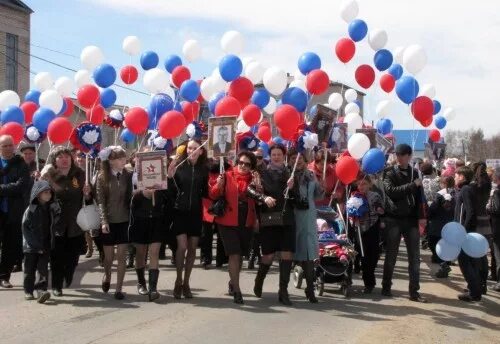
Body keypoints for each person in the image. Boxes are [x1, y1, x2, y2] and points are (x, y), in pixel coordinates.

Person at [210, 151, 271, 304]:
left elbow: (258, 200)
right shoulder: (227, 174)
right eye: (241, 163)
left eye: (247, 164)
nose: (243, 166)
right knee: (234, 254)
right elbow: (214, 194)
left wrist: (259, 187)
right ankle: (237, 290)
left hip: (246, 221)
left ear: (252, 166)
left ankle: (232, 281)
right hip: (228, 221)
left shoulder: (254, 178)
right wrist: (219, 184)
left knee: (241, 256)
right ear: (237, 162)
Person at [41, 146, 92, 296]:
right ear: (55, 161)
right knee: (56, 257)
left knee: (73, 257)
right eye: (60, 157)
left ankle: (68, 275)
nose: (64, 160)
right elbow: (41, 198)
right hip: (56, 222)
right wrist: (40, 182)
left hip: (75, 222)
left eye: (67, 157)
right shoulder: (49, 175)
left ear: (71, 159)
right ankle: (57, 285)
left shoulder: (80, 174)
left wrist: (88, 194)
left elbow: (88, 199)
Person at [382, 144, 428, 303]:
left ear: (409, 156)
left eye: (402, 154)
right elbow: (392, 192)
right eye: (397, 154)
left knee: (415, 258)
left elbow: (420, 197)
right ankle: (386, 286)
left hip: (411, 220)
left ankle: (414, 292)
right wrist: (412, 185)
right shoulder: (389, 172)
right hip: (393, 218)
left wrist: (422, 216)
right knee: (391, 256)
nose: (398, 157)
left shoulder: (415, 173)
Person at [254, 144, 296, 305]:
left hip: (287, 219)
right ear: (270, 156)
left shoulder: (290, 173)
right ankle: (259, 280)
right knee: (268, 256)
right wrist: (263, 196)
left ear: (283, 156)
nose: (276, 157)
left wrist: (293, 187)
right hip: (270, 219)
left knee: (287, 253)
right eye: (273, 154)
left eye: (279, 154)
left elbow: (298, 197)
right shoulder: (262, 174)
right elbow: (255, 192)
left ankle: (283, 290)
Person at [168, 139, 208, 299]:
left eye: (195, 148)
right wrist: (170, 177)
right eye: (189, 148)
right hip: (180, 212)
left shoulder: (203, 169)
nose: (192, 150)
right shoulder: (178, 167)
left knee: (192, 249)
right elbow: (170, 190)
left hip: (196, 213)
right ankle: (178, 279)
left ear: (201, 151)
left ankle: (186, 282)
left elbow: (206, 191)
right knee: (182, 247)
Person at [96, 146, 132, 300]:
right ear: (111, 161)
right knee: (109, 258)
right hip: (109, 221)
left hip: (124, 220)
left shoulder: (128, 175)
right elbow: (101, 201)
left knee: (122, 255)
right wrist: (104, 221)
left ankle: (119, 288)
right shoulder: (102, 177)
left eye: (124, 158)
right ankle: (107, 273)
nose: (123, 161)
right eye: (119, 158)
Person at [289, 148, 324, 303]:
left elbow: (318, 195)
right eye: (293, 158)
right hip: (292, 217)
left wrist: (321, 184)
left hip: (308, 217)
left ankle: (310, 288)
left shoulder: (310, 175)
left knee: (309, 254)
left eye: (300, 157)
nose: (297, 160)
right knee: (290, 254)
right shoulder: (286, 174)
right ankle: (283, 289)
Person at [22, 180, 61, 303]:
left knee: (43, 269)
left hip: (45, 244)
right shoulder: (31, 208)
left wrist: (57, 208)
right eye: (45, 192)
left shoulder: (51, 207)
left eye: (49, 192)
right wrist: (33, 244)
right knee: (29, 269)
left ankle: (41, 291)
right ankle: (28, 291)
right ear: (38, 194)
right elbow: (25, 227)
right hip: (31, 245)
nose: (48, 195)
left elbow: (57, 217)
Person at [129, 182, 169, 302]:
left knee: (154, 252)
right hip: (140, 221)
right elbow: (131, 201)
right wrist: (141, 192)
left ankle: (153, 288)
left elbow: (169, 198)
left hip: (156, 221)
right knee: (141, 253)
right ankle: (141, 283)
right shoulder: (137, 175)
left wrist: (162, 186)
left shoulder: (162, 184)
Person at [0, 135, 31, 289]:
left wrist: (1, 189)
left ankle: (4, 276)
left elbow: (22, 185)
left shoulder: (21, 164)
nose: (7, 148)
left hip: (13, 211)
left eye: (10, 145)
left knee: (9, 245)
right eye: (4, 146)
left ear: (14, 146)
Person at [455, 166, 488, 302]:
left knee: (464, 261)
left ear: (462, 177)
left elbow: (469, 211)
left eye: (457, 175)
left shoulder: (466, 189)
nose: (455, 177)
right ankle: (474, 287)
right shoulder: (469, 188)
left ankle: (475, 292)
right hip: (468, 230)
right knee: (471, 261)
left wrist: (463, 230)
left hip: (466, 231)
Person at [351, 174, 384, 294]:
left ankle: (370, 276)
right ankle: (368, 283)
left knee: (373, 256)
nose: (361, 186)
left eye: (364, 184)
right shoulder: (354, 196)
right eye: (359, 184)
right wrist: (353, 219)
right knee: (364, 257)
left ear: (370, 184)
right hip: (360, 229)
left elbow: (380, 209)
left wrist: (380, 210)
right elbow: (350, 213)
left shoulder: (375, 196)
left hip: (373, 227)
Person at [428, 176, 456, 278]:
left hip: (437, 223)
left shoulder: (440, 194)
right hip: (451, 223)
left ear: (443, 183)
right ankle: (446, 262)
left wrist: (428, 215)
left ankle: (443, 264)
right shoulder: (456, 193)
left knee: (433, 243)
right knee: (446, 244)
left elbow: (433, 208)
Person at [486, 166, 500, 291]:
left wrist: (488, 208)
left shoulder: (497, 192)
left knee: (498, 254)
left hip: (497, 227)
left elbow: (496, 209)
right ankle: (495, 275)